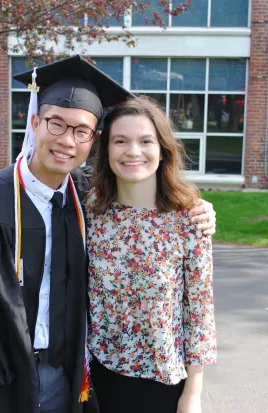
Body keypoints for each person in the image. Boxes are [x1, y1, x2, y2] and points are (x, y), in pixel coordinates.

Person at [0, 56, 217, 413]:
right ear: (35, 122)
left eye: (81, 130)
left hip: (71, 380)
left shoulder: (86, 197)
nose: (67, 140)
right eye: (56, 124)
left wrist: (200, 209)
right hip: (1, 380)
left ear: (92, 140)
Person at [86, 96, 217, 413]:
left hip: (162, 381)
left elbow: (198, 312)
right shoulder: (89, 212)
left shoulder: (188, 219)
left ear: (162, 150)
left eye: (146, 141)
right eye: (120, 141)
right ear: (106, 149)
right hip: (96, 378)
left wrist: (193, 394)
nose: (133, 151)